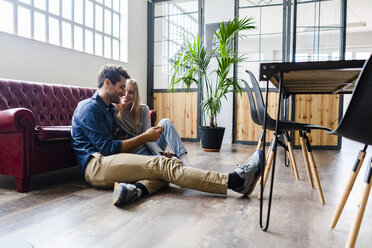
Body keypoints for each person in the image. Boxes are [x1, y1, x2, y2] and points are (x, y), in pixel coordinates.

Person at [71, 64, 263, 207]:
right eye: (121, 87)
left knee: (168, 166)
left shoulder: (107, 109)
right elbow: (107, 148)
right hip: (96, 165)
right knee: (161, 165)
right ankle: (235, 181)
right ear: (107, 83)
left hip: (109, 160)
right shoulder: (89, 108)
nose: (123, 92)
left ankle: (137, 189)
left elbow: (115, 141)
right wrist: (145, 138)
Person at [116, 78, 192, 167]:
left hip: (149, 146)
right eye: (124, 91)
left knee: (166, 122)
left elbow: (149, 138)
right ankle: (162, 161)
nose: (126, 95)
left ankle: (184, 160)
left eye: (131, 92)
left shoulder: (143, 109)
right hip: (135, 153)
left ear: (136, 95)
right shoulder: (115, 111)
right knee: (169, 163)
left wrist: (161, 153)